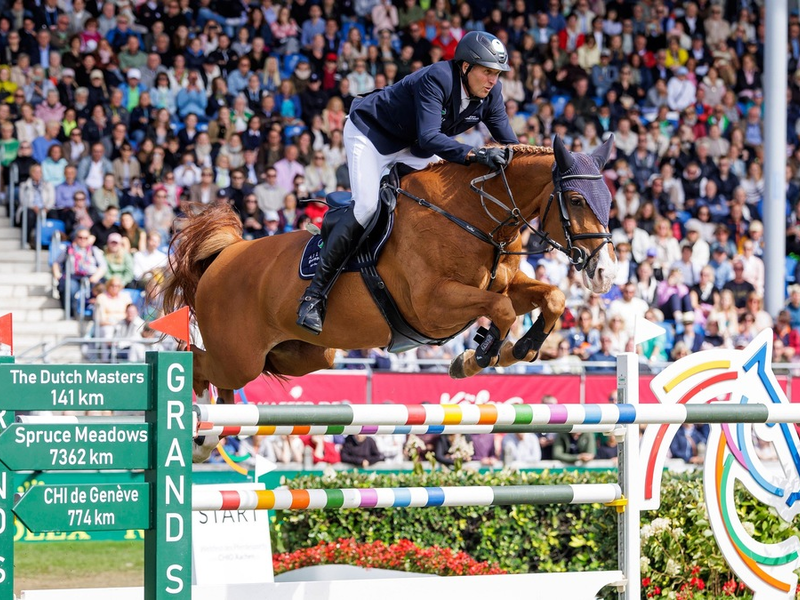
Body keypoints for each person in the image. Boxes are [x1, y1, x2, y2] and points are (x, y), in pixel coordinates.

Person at [296, 31, 518, 334]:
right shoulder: (438, 78)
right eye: (487, 72)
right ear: (465, 67)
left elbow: (511, 144)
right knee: (366, 207)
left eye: (496, 74)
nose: (492, 80)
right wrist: (474, 153)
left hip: (414, 150)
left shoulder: (491, 93)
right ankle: (314, 296)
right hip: (372, 136)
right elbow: (430, 135)